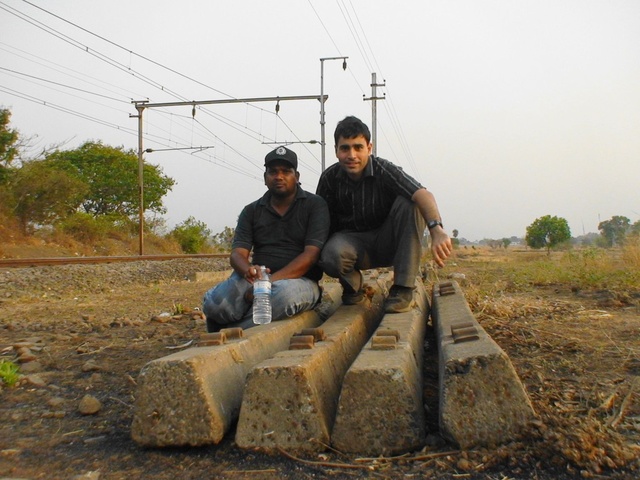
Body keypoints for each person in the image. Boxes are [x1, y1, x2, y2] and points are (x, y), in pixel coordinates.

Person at [316, 115, 452, 313]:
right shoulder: (329, 179)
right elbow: (319, 223)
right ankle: (353, 288)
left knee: (411, 202)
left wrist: (436, 230)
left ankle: (403, 288)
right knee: (331, 254)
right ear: (336, 151)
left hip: (389, 241)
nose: (351, 155)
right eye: (345, 148)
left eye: (358, 147)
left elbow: (423, 194)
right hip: (352, 245)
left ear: (369, 148)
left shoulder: (383, 169)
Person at [202, 146, 330, 332]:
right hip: (257, 277)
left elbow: (310, 256)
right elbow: (238, 254)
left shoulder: (315, 205)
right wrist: (249, 271)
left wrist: (268, 284)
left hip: (300, 281)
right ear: (265, 178)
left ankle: (229, 328)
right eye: (273, 172)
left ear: (297, 176)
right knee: (216, 304)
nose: (279, 176)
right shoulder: (252, 211)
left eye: (286, 171)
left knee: (282, 297)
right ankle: (235, 319)